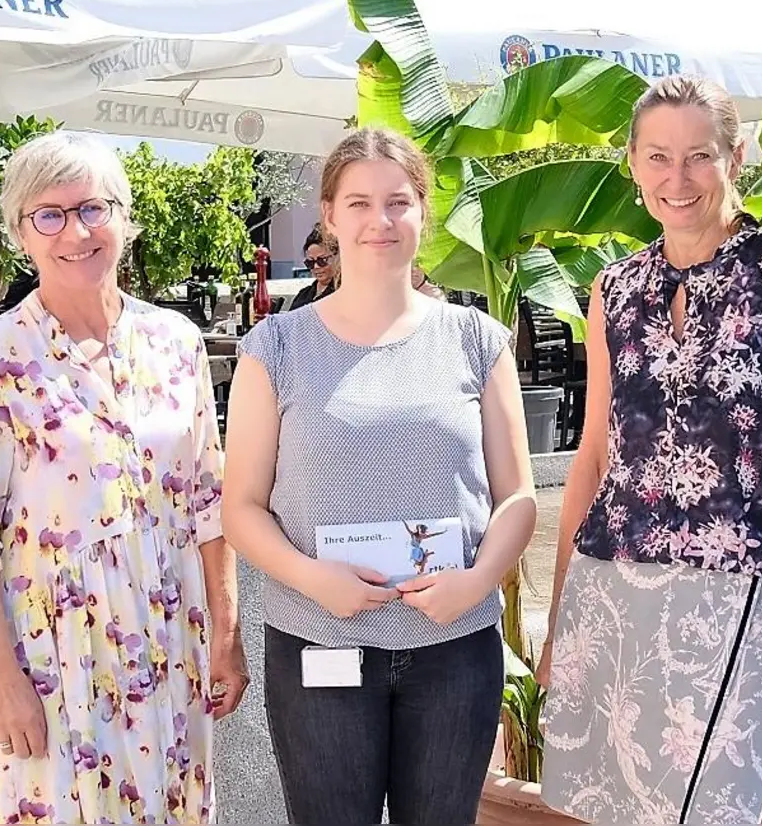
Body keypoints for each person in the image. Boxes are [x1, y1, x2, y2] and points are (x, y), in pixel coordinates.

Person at [535, 74, 762, 825]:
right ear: (633, 164)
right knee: (607, 808)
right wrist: (559, 624)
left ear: (736, 157)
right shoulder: (614, 288)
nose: (676, 179)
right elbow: (591, 460)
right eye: (656, 157)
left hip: (741, 596)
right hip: (612, 588)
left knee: (717, 812)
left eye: (698, 156)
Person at [0, 130, 249, 824]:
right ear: (22, 235)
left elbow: (208, 503)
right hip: (50, 658)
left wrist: (228, 632)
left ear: (124, 219)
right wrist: (1, 676)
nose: (75, 231)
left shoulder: (177, 344)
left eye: (92, 208)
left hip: (169, 646)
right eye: (49, 214)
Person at [221, 127, 537, 825]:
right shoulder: (274, 349)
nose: (380, 221)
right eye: (359, 203)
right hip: (319, 647)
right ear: (329, 216)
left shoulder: (476, 341)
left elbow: (517, 496)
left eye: (398, 202)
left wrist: (475, 583)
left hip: (454, 651)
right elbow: (239, 507)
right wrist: (312, 579)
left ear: (424, 210)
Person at [286, 230, 339, 310]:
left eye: (322, 260)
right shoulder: (304, 294)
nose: (316, 266)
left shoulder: (343, 294)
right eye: (310, 262)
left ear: (337, 258)